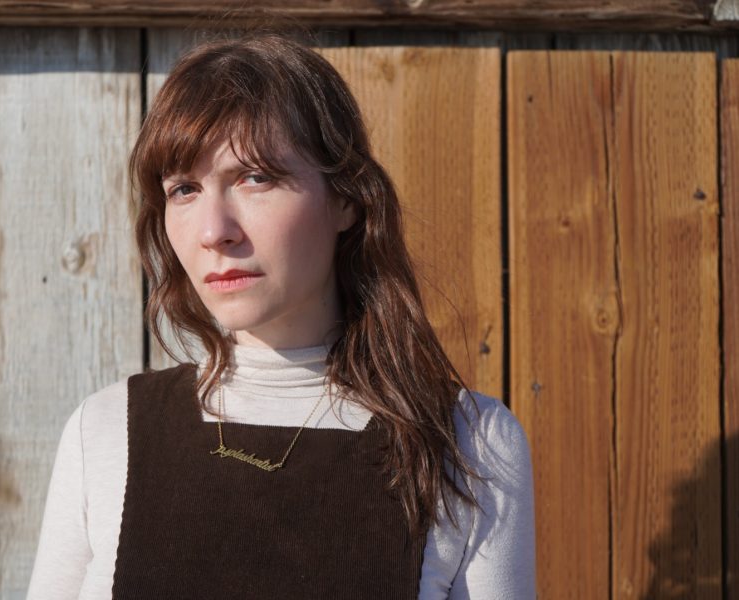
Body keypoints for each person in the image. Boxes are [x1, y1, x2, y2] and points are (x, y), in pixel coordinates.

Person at [27, 32, 536, 600]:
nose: (213, 230)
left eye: (254, 177)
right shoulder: (103, 432)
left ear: (346, 199)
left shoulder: (468, 445)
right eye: (184, 188)